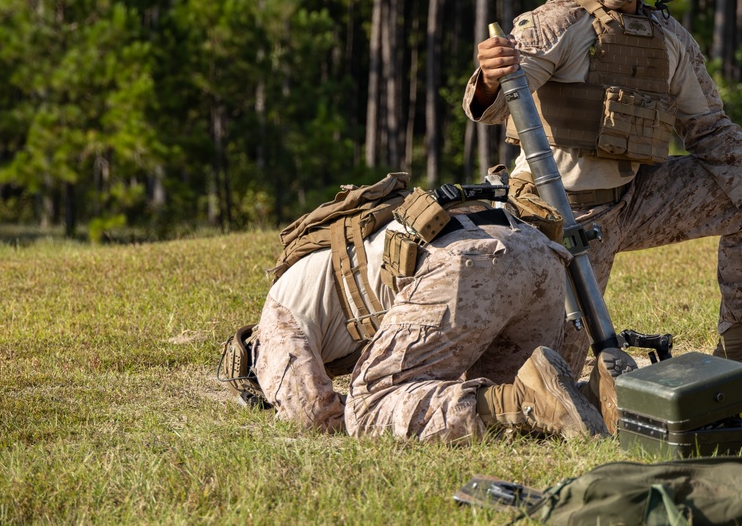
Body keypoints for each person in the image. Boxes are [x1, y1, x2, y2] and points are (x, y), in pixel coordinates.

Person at [464, 0, 742, 387]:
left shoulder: (669, 38)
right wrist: (490, 76)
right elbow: (498, 105)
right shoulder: (557, 23)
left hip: (632, 201)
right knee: (548, 375)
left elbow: (709, 128)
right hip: (556, 217)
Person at [230, 182, 609, 442]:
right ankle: (597, 397)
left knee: (367, 409)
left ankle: (535, 400)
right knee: (511, 401)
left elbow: (312, 415)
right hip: (535, 250)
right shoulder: (313, 287)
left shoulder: (275, 322)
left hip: (465, 263)